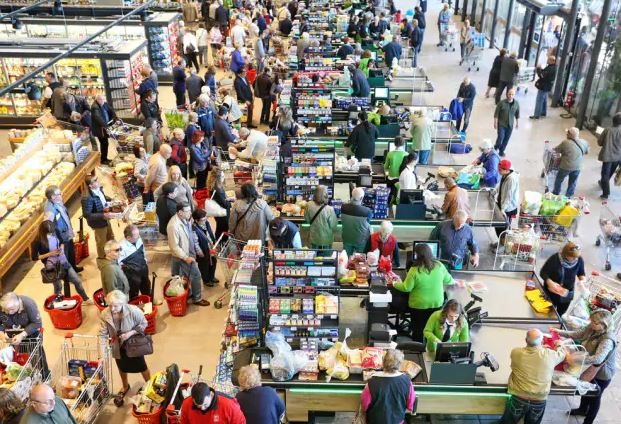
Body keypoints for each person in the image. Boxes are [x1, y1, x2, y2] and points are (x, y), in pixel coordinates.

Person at [553, 310, 616, 424]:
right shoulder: (593, 327)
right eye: (591, 321)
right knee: (586, 390)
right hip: (590, 367)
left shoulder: (607, 339)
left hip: (602, 373)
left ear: (604, 324)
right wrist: (559, 332)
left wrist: (576, 359)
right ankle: (582, 410)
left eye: (595, 323)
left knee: (595, 396)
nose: (591, 324)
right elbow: (578, 334)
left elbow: (598, 358)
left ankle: (588, 421)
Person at [499, 329, 567, 424]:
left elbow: (531, 353)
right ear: (542, 341)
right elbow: (562, 354)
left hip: (518, 398)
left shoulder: (516, 352)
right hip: (539, 400)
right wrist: (559, 344)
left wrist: (539, 348)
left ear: (526, 340)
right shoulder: (550, 355)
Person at [99, 290, 152, 404]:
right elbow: (102, 335)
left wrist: (130, 333)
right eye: (110, 305)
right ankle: (125, 386)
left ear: (123, 303)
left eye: (116, 306)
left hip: (133, 345)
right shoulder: (105, 314)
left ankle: (149, 385)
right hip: (117, 345)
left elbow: (144, 323)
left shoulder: (133, 311)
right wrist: (102, 356)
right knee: (122, 366)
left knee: (141, 366)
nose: (112, 309)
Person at [393, 243, 453, 342]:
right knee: (432, 327)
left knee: (418, 329)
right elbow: (449, 280)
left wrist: (395, 283)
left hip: (419, 306)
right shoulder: (439, 265)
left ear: (417, 256)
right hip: (437, 304)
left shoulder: (414, 270)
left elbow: (406, 288)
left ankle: (418, 347)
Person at [32, 220, 90, 301]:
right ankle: (59, 303)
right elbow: (34, 257)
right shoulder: (37, 241)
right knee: (58, 286)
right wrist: (50, 254)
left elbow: (62, 241)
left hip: (63, 261)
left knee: (77, 281)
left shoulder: (55, 231)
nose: (51, 234)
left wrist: (61, 248)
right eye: (49, 233)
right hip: (52, 266)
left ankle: (86, 298)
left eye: (51, 232)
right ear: (43, 232)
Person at [168, 203, 210, 306]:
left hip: (189, 253)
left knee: (185, 276)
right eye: (188, 211)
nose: (190, 213)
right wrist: (185, 257)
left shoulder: (186, 219)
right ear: (180, 212)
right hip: (183, 256)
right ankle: (197, 299)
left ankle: (189, 293)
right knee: (196, 275)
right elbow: (174, 246)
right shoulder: (173, 226)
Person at [0, 293, 49, 379]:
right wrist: (1, 333)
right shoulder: (2, 306)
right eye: (5, 310)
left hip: (30, 333)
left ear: (18, 304)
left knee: (37, 354)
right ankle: (23, 377)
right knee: (17, 357)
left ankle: (45, 375)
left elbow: (37, 323)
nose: (9, 313)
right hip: (13, 334)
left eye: (12, 309)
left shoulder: (29, 304)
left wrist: (22, 335)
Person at [360, 349, 415, 423]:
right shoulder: (407, 382)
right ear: (400, 364)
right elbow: (410, 405)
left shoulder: (371, 383)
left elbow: (365, 405)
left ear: (383, 362)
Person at [44, 185, 83, 273]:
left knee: (71, 252)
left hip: (67, 234)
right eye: (59, 193)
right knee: (66, 256)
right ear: (53, 197)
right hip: (61, 238)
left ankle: (74, 268)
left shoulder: (57, 202)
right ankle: (69, 274)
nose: (61, 194)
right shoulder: (50, 210)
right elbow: (47, 226)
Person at [540, 242, 586, 316]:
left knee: (560, 314)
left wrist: (582, 282)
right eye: (572, 257)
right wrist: (550, 282)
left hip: (567, 293)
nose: (575, 259)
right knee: (548, 312)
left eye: (576, 257)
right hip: (552, 292)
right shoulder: (555, 259)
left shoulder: (579, 259)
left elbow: (581, 273)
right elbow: (543, 273)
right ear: (565, 254)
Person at [81, 175, 114, 259]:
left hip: (105, 218)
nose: (98, 181)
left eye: (97, 179)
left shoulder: (98, 189)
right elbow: (87, 215)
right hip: (98, 223)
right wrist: (103, 215)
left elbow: (103, 198)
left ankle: (113, 255)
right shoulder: (87, 198)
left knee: (110, 237)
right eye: (95, 180)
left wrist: (112, 200)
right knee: (101, 243)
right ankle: (103, 260)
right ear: (90, 186)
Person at [180, 382, 245, 424]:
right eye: (198, 406)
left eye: (205, 404)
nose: (202, 408)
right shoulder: (187, 403)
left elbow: (240, 422)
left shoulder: (229, 405)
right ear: (192, 399)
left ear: (211, 394)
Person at [552, 127, 589, 197]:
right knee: (573, 182)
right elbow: (587, 152)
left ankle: (556, 193)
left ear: (570, 135)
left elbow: (555, 150)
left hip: (566, 166)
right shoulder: (584, 142)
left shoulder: (565, 142)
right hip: (578, 167)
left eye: (567, 133)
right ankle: (568, 196)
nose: (566, 134)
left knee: (559, 179)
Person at [118, 225, 151, 299]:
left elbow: (143, 251)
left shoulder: (138, 239)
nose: (139, 236)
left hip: (143, 269)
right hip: (132, 275)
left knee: (146, 286)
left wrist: (145, 261)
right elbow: (118, 263)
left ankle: (149, 301)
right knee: (133, 292)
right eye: (136, 235)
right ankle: (135, 306)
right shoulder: (121, 247)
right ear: (128, 238)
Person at [304, 185, 338, 252]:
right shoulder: (329, 209)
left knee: (314, 260)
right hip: (326, 240)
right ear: (326, 194)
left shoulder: (308, 205)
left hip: (313, 238)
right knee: (326, 260)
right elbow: (334, 226)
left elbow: (307, 220)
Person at [341, 187, 372, 255]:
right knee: (360, 261)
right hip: (361, 241)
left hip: (347, 238)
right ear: (361, 198)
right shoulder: (367, 211)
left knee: (346, 258)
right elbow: (368, 224)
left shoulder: (343, 207)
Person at [494, 159, 520, 241]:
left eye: (500, 170)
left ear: (506, 170)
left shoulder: (511, 179)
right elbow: (501, 184)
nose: (498, 171)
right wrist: (494, 191)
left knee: (503, 229)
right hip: (502, 203)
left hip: (508, 208)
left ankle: (502, 246)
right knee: (497, 225)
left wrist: (503, 209)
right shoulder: (505, 174)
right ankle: (499, 243)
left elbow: (509, 196)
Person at [597, 112, 621, 199]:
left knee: (605, 174)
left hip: (607, 156)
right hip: (618, 157)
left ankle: (605, 194)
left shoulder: (607, 130)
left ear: (613, 121)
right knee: (609, 172)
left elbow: (599, 142)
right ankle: (603, 183)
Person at [192, 208, 218, 287]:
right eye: (202, 220)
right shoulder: (194, 229)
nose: (205, 221)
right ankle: (206, 280)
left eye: (205, 218)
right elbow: (195, 243)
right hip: (203, 250)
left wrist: (214, 243)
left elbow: (211, 233)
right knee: (204, 266)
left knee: (213, 262)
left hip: (210, 248)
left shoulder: (206, 223)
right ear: (196, 220)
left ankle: (212, 276)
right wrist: (199, 252)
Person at [91, 94, 117, 165]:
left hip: (104, 128)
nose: (103, 101)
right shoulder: (94, 107)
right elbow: (98, 117)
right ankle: (103, 159)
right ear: (98, 100)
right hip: (100, 129)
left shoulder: (103, 103)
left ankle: (104, 158)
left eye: (104, 99)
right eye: (102, 100)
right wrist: (106, 126)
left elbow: (110, 109)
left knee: (105, 143)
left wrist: (115, 117)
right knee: (104, 143)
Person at [494, 88, 520, 157]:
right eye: (509, 94)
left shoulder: (516, 104)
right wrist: (495, 123)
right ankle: (495, 148)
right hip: (501, 124)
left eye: (512, 94)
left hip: (510, 125)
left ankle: (501, 151)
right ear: (507, 94)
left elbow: (517, 114)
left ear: (514, 95)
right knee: (500, 138)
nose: (511, 96)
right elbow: (496, 114)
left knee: (506, 139)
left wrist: (517, 123)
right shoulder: (501, 103)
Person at [207, 167, 231, 240]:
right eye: (222, 176)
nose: (224, 178)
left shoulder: (214, 186)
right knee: (223, 228)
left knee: (220, 227)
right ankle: (221, 242)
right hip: (222, 213)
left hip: (217, 211)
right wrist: (230, 201)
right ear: (217, 178)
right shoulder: (217, 189)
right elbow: (224, 204)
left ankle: (219, 240)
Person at [384, 136, 409, 204]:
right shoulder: (406, 154)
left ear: (394, 143)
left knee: (390, 194)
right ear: (403, 144)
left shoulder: (390, 153)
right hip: (401, 179)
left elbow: (385, 166)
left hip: (391, 179)